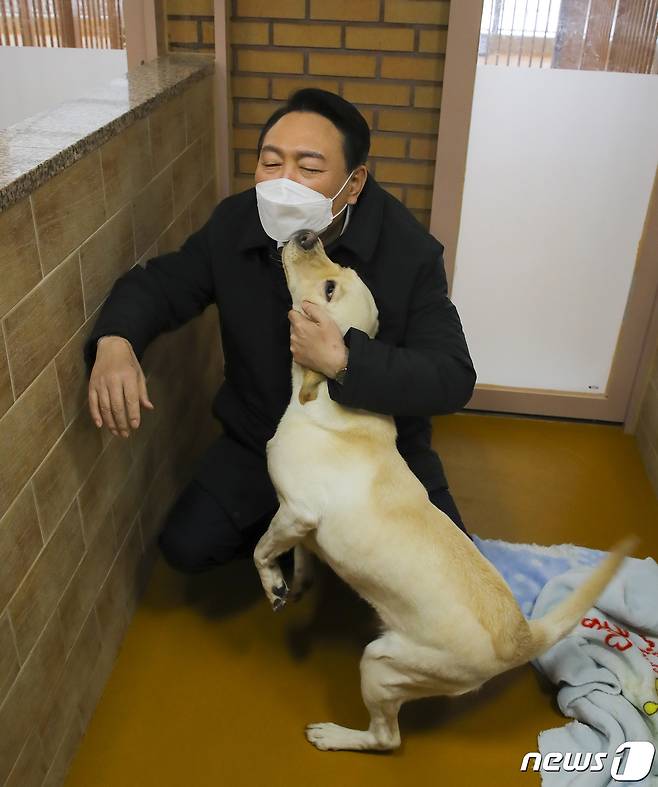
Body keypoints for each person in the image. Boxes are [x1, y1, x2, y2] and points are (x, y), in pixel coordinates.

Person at [83, 88, 477, 574]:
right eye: (271, 164)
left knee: (451, 581)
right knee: (188, 545)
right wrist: (116, 341)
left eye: (309, 169)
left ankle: (334, 544)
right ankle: (303, 536)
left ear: (354, 184)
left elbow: (452, 376)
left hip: (375, 454)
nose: (285, 182)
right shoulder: (236, 223)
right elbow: (163, 284)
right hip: (265, 438)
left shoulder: (407, 252)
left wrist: (346, 362)